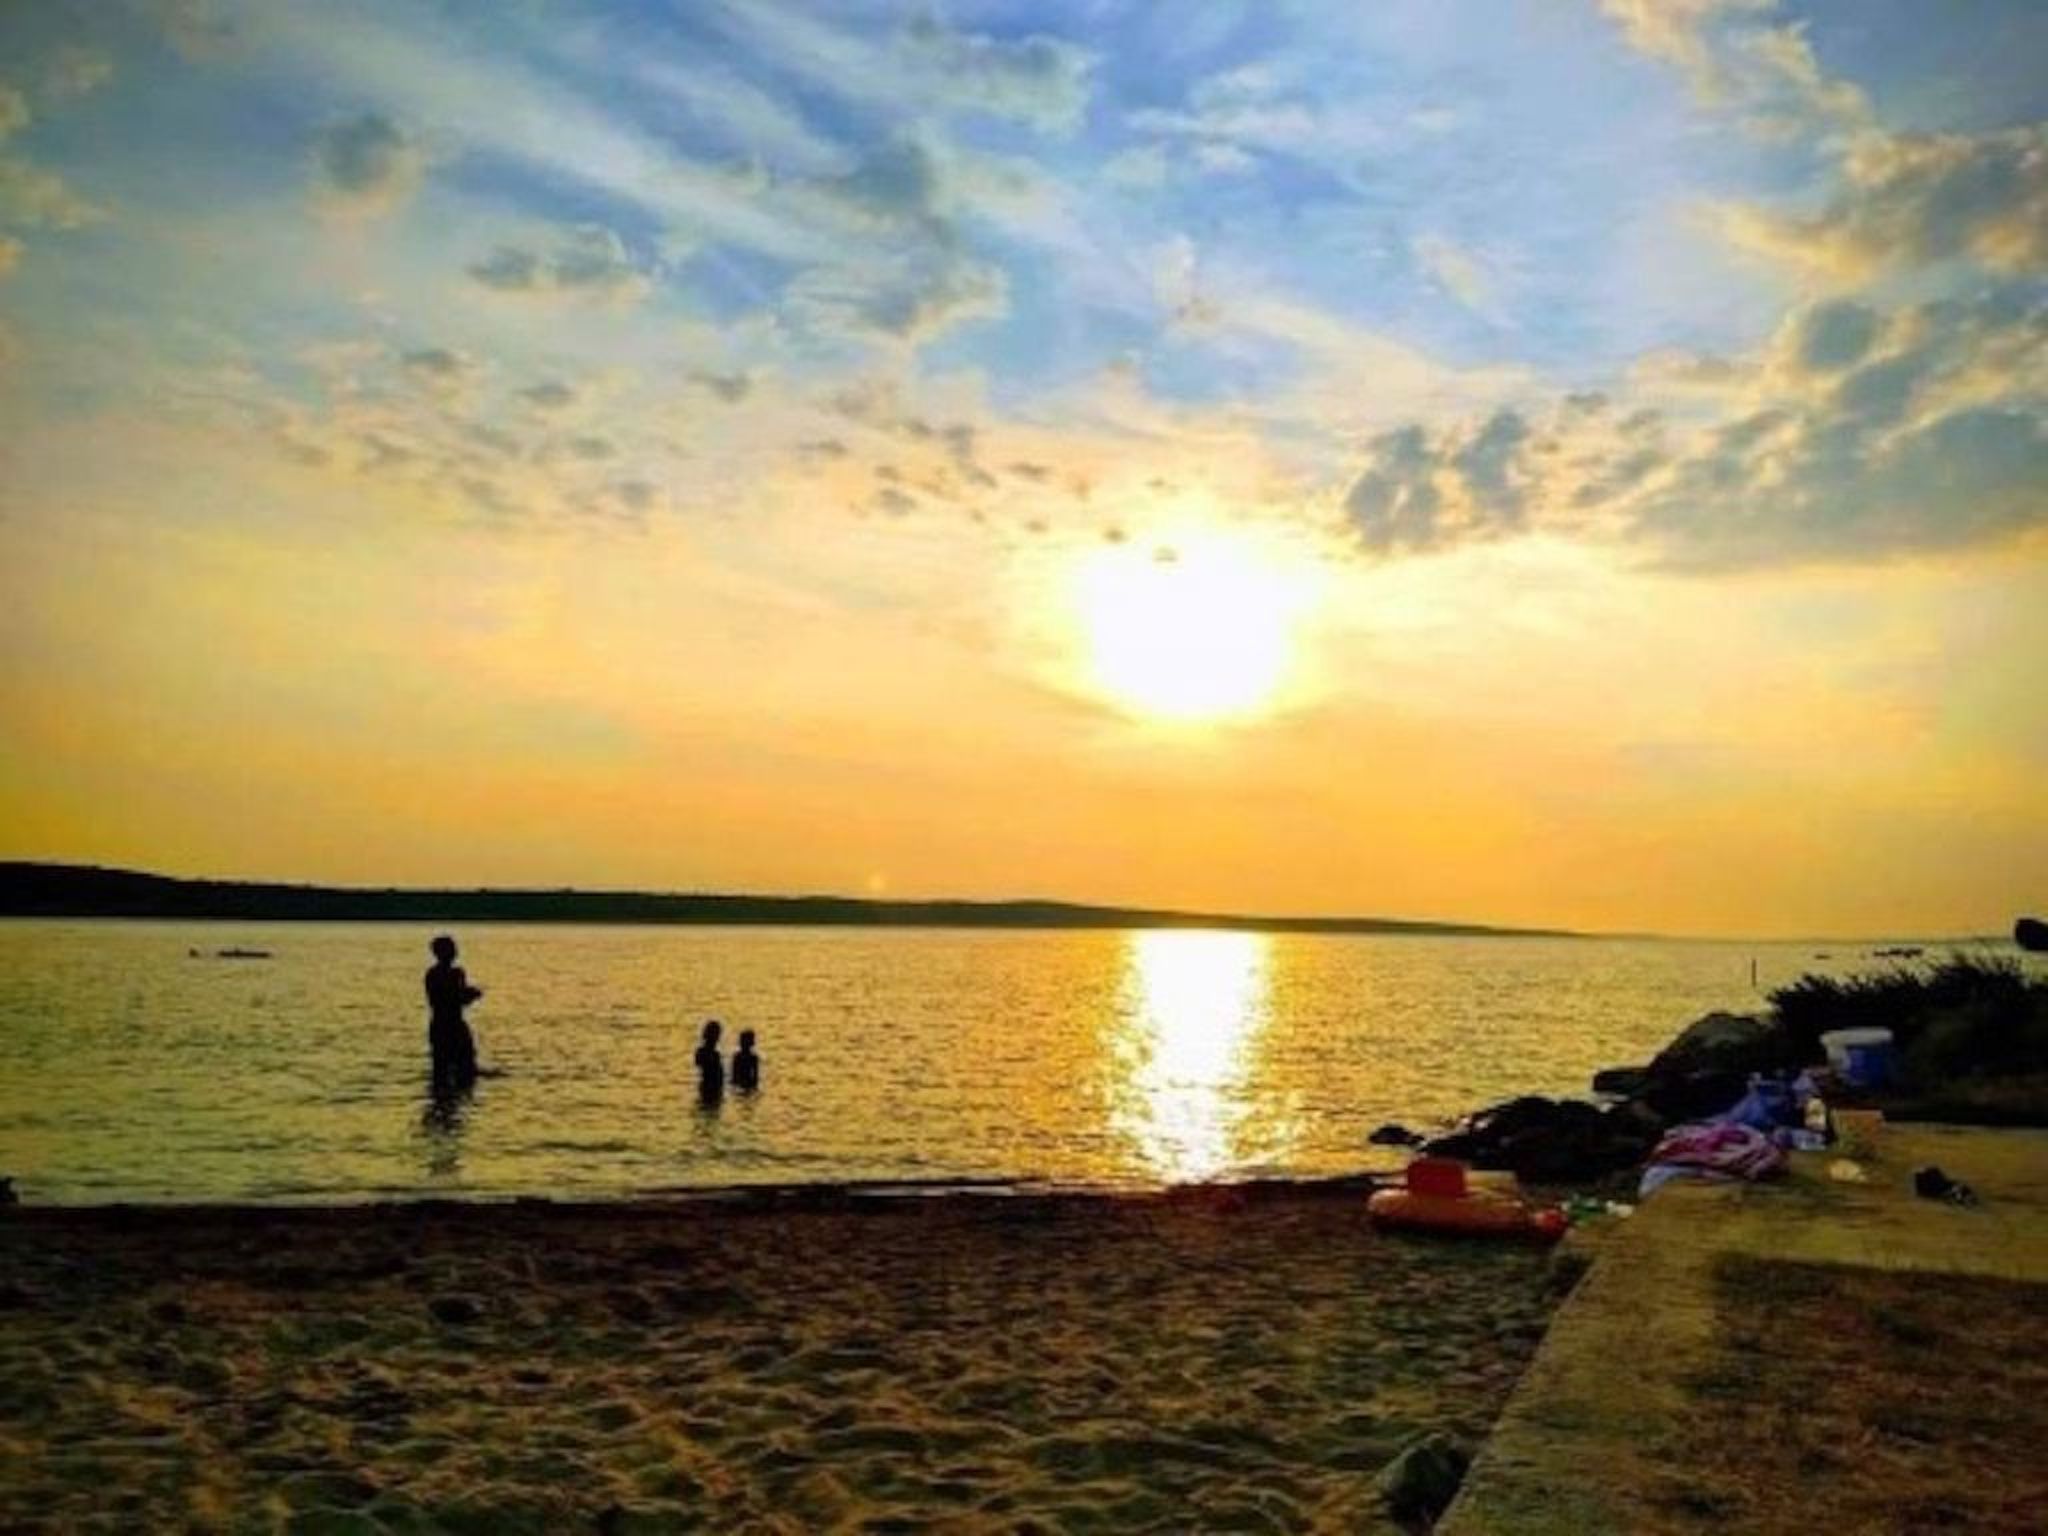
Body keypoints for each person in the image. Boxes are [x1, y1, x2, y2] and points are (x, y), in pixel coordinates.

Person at [424, 934, 482, 1097]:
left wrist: (467, 994)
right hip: (449, 1026)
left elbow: (455, 997)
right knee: (456, 1069)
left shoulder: (441, 973)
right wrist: (471, 995)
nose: (455, 952)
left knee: (448, 1069)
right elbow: (452, 999)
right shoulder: (448, 974)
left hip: (445, 1025)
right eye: (451, 949)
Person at [694, 1019, 725, 1105]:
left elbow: (698, 1064)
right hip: (709, 1086)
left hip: (707, 1086)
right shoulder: (713, 1054)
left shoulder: (705, 1052)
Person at [732, 1029, 761, 1093]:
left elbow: (755, 1076)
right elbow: (734, 1075)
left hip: (745, 1085)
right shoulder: (738, 1057)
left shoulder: (753, 1058)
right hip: (743, 1085)